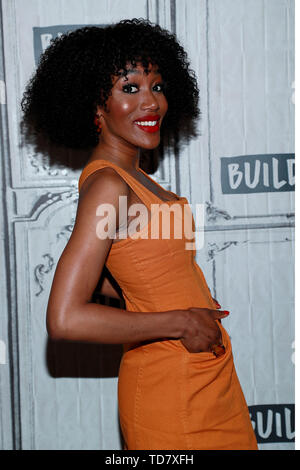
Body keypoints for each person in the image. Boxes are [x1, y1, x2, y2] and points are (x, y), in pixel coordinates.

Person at [22, 18, 258, 451]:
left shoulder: (138, 179)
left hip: (208, 380)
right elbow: (65, 318)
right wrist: (180, 320)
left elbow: (125, 266)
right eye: (130, 89)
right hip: (170, 391)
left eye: (158, 86)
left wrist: (177, 302)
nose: (151, 103)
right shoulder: (109, 186)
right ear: (94, 105)